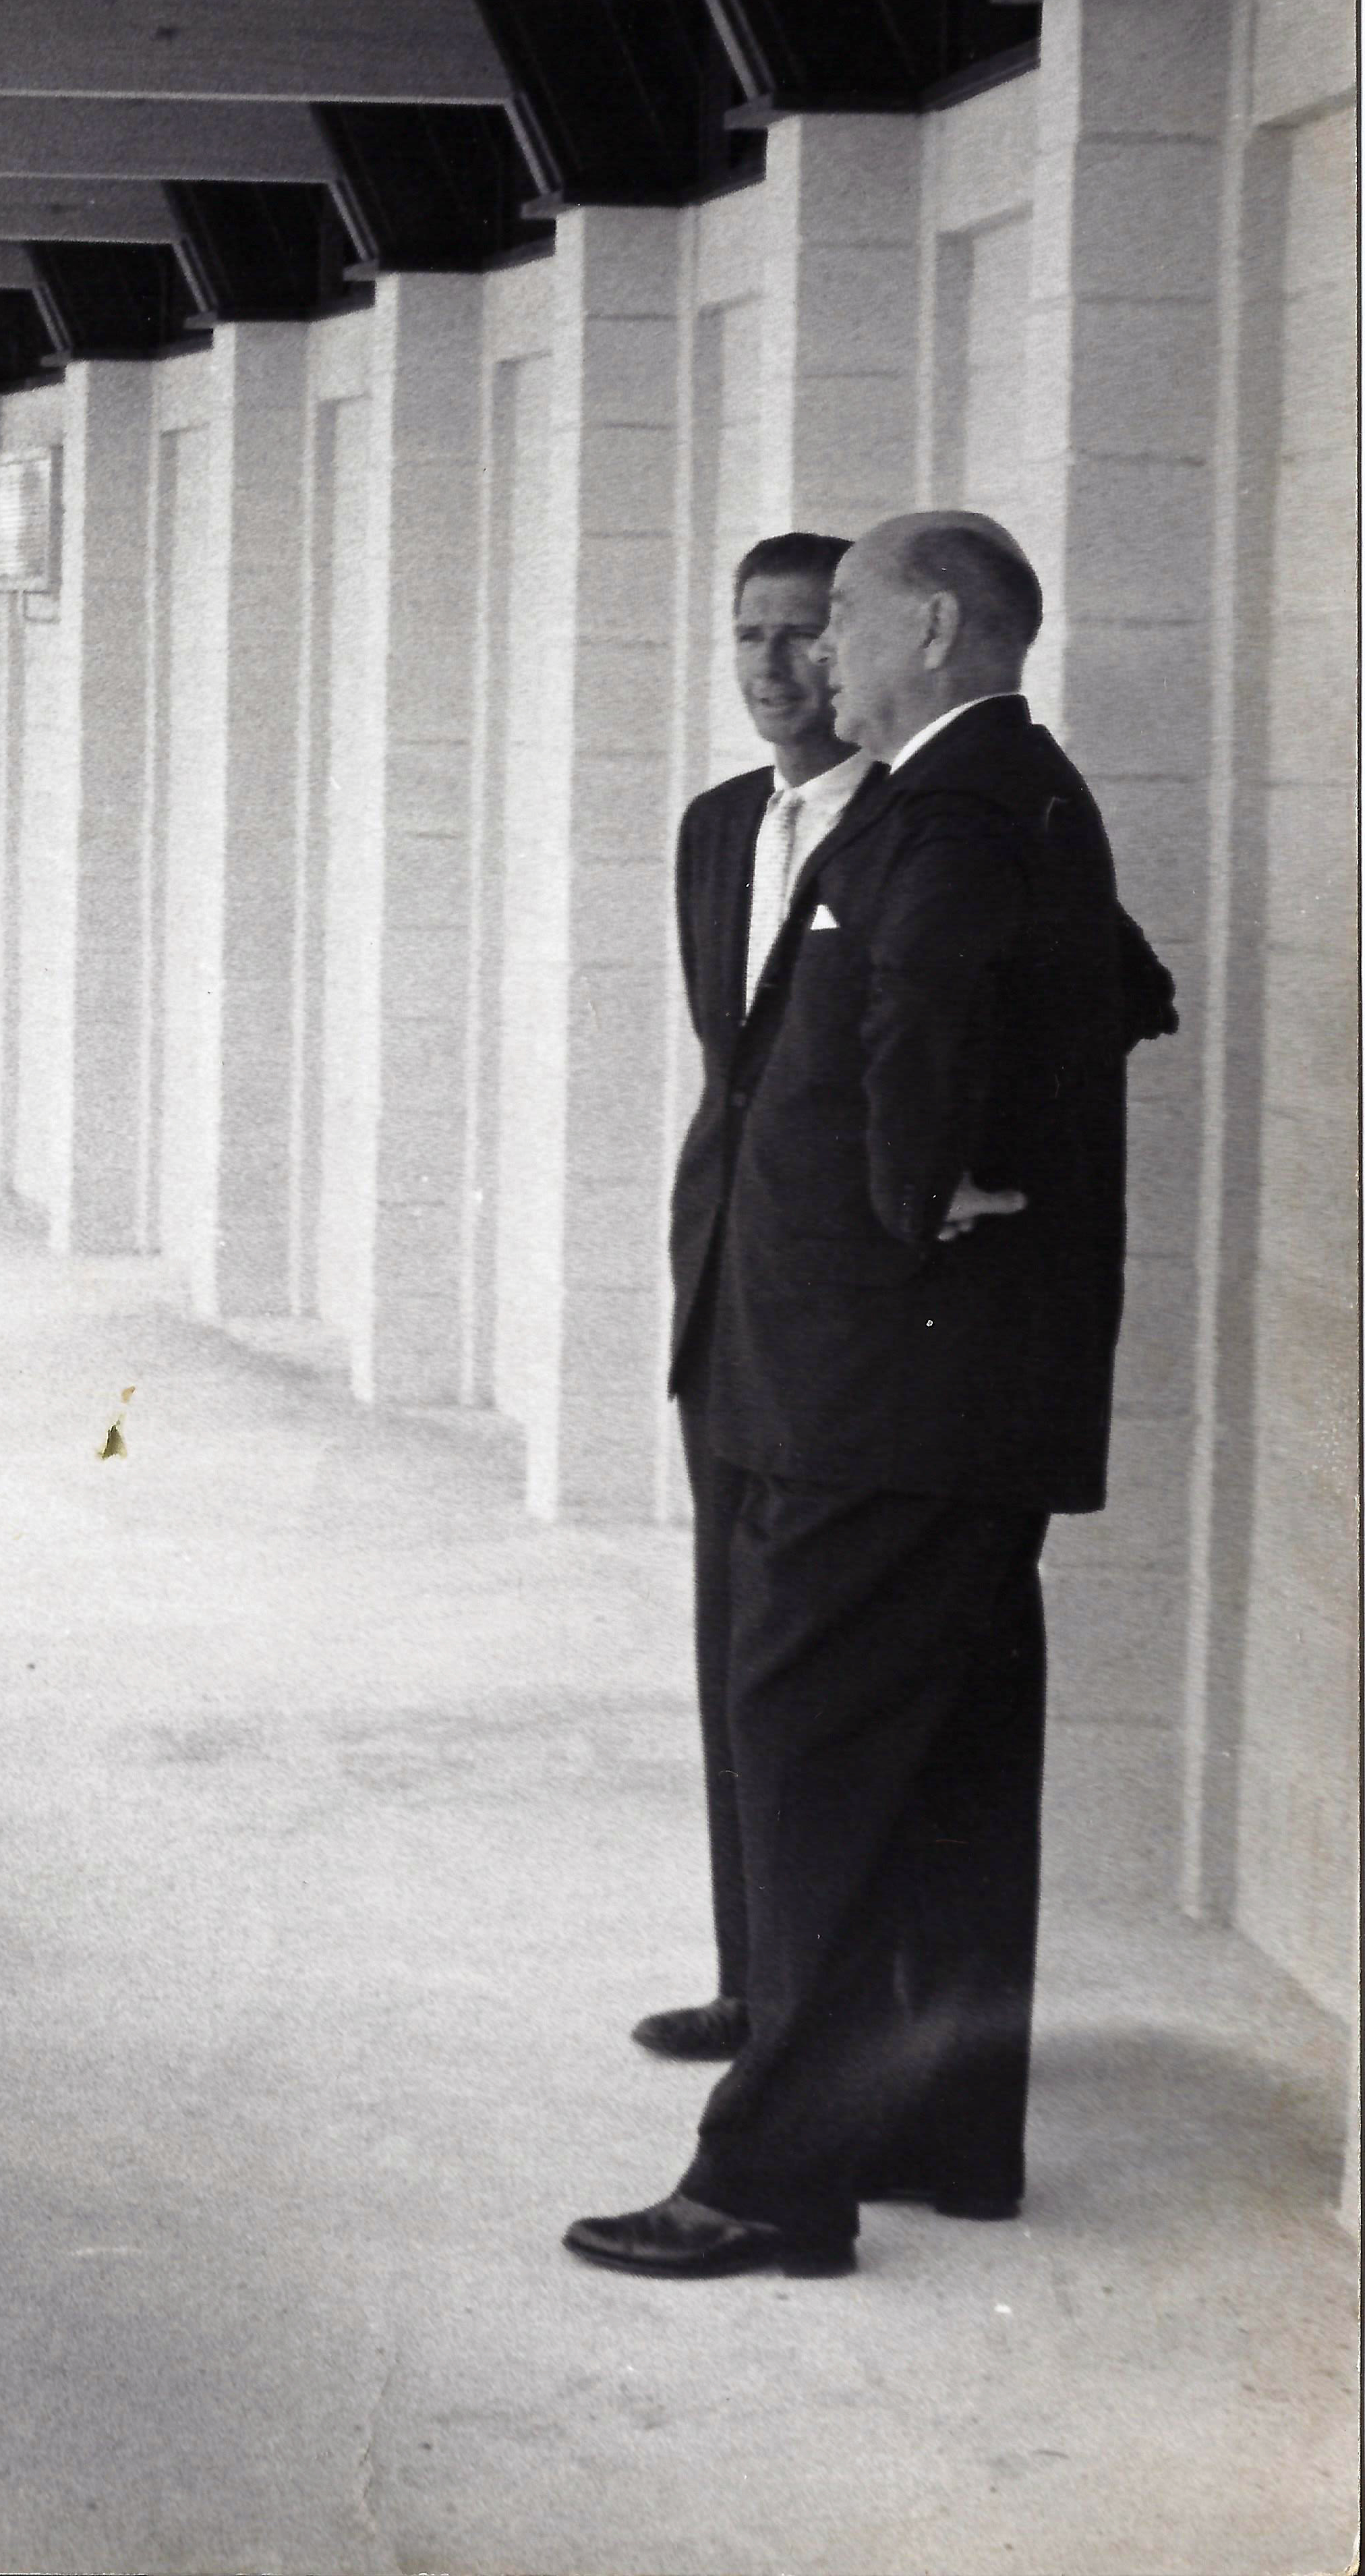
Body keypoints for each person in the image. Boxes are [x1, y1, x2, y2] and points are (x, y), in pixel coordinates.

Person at [572, 512, 1168, 2281]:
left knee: (819, 1760)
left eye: (835, 614)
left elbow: (923, 1018)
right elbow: (1112, 994)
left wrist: (932, 1193)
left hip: (886, 1392)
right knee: (947, 1770)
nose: (813, 648)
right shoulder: (1016, 791)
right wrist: (998, 1173)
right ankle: (943, 2133)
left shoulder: (950, 803)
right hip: (941, 1387)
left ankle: (767, 2179)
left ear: (927, 624)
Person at [629, 533, 871, 2069]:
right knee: (732, 1651)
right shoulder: (720, 825)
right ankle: (750, 1975)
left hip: (847, 1314)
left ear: (855, 651)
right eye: (748, 636)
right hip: (724, 1280)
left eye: (800, 638)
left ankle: (820, 1994)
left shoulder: (915, 822)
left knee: (814, 1671)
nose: (773, 670)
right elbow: (739, 1064)